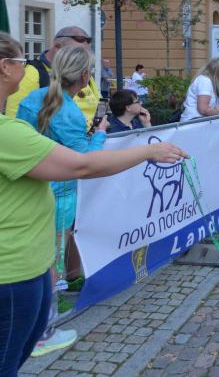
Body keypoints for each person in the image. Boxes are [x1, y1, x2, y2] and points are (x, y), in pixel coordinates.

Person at [0, 32, 188, 373]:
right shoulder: (24, 126)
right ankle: (49, 325)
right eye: (21, 61)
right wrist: (141, 148)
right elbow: (83, 163)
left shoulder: (30, 105)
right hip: (20, 260)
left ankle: (50, 316)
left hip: (30, 246)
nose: (26, 67)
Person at [16, 46, 109, 356]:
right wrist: (100, 134)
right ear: (83, 76)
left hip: (30, 187)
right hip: (59, 193)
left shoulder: (33, 98)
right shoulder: (67, 111)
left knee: (37, 258)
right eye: (90, 71)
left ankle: (32, 328)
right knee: (51, 260)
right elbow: (84, 161)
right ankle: (42, 332)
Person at [4, 26, 100, 128]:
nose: (82, 61)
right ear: (57, 47)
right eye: (76, 55)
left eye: (85, 56)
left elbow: (99, 104)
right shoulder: (33, 73)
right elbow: (15, 121)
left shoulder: (84, 73)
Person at [180, 57, 219, 121]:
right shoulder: (205, 81)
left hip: (199, 122)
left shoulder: (209, 82)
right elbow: (203, 110)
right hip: (193, 122)